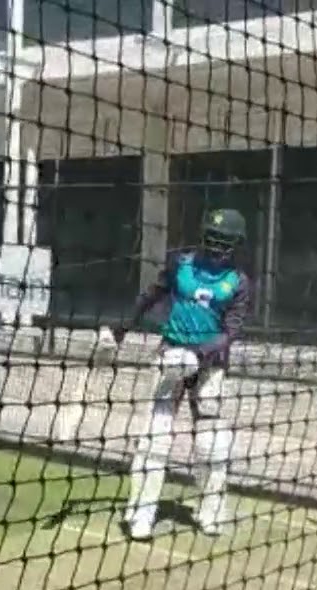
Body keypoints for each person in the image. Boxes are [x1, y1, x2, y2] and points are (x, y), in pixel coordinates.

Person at [112, 208, 253, 540]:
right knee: (155, 435)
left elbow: (231, 331)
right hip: (170, 354)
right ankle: (141, 512)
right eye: (213, 238)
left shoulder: (238, 282)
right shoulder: (181, 263)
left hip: (209, 364)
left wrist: (199, 354)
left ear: (236, 244)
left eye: (224, 241)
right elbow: (151, 295)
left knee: (211, 442)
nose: (216, 247)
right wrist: (122, 327)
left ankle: (211, 512)